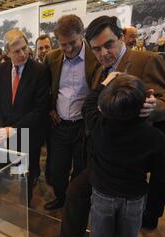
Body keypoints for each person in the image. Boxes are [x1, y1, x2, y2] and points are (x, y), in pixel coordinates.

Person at [51, 15, 165, 237]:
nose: (103, 53)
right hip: (101, 152)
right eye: (96, 49)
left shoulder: (146, 60)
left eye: (108, 44)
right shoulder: (99, 69)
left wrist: (155, 107)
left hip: (130, 160)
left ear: (121, 37)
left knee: (122, 218)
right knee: (76, 191)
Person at [81, 73, 165, 237]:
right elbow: (164, 173)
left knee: (100, 236)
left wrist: (105, 81)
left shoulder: (99, 124)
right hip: (134, 196)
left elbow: (87, 105)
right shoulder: (155, 138)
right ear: (145, 104)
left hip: (103, 193)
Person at [43, 15, 101, 211]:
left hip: (82, 127)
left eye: (73, 43)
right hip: (59, 125)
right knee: (57, 170)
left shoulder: (95, 58)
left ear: (82, 35)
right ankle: (61, 197)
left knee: (81, 170)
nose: (68, 49)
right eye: (63, 44)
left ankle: (74, 204)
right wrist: (50, 108)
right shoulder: (51, 58)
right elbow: (46, 89)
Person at [0, 29, 50, 204]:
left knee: (27, 174)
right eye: (17, 51)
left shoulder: (39, 70)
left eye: (25, 48)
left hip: (29, 133)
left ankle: (26, 209)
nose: (23, 53)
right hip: (5, 132)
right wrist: (0, 127)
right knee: (9, 168)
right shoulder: (0, 70)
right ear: (7, 52)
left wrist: (14, 129)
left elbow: (40, 109)